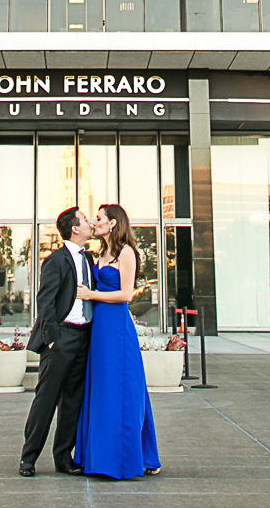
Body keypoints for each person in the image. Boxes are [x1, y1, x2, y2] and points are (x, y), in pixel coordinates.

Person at [73, 203, 162, 480]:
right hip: (98, 329)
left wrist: (91, 295)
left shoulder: (126, 253)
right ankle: (98, 456)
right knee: (101, 388)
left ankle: (127, 457)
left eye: (98, 218)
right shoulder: (100, 253)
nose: (94, 222)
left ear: (112, 223)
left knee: (123, 387)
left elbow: (126, 294)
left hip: (117, 329)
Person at [18, 206, 95, 478]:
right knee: (46, 400)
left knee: (72, 400)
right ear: (75, 228)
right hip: (61, 337)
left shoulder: (89, 258)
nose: (90, 223)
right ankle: (28, 459)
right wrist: (52, 340)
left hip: (83, 336)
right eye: (85, 221)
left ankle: (64, 458)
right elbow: (45, 301)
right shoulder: (55, 260)